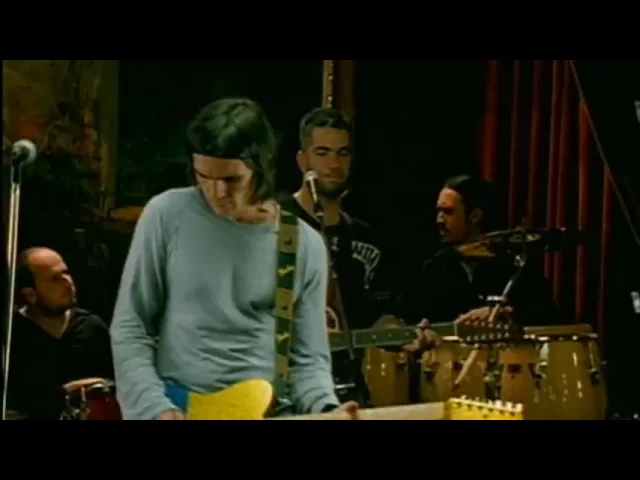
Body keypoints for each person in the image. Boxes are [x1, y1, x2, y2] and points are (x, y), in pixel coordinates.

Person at [109, 98, 357, 420]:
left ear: (261, 166)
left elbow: (309, 360)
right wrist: (153, 407)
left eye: (231, 180)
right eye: (203, 176)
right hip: (180, 407)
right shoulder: (166, 215)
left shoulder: (303, 244)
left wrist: (326, 409)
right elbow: (131, 326)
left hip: (269, 410)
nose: (216, 193)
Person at [278, 107, 392, 331]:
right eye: (322, 153)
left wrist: (398, 332)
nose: (334, 164)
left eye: (342, 153)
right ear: (302, 160)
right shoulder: (273, 223)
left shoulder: (366, 237)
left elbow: (376, 316)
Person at [401, 174, 559, 329]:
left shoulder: (514, 265)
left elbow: (547, 316)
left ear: (475, 216)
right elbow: (413, 319)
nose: (439, 220)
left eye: (448, 212)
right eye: (439, 211)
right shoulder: (435, 267)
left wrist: (504, 313)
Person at [6, 247, 114, 420]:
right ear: (30, 294)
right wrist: (68, 391)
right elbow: (20, 401)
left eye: (66, 273)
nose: (68, 282)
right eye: (55, 279)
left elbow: (114, 384)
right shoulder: (14, 333)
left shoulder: (91, 327)